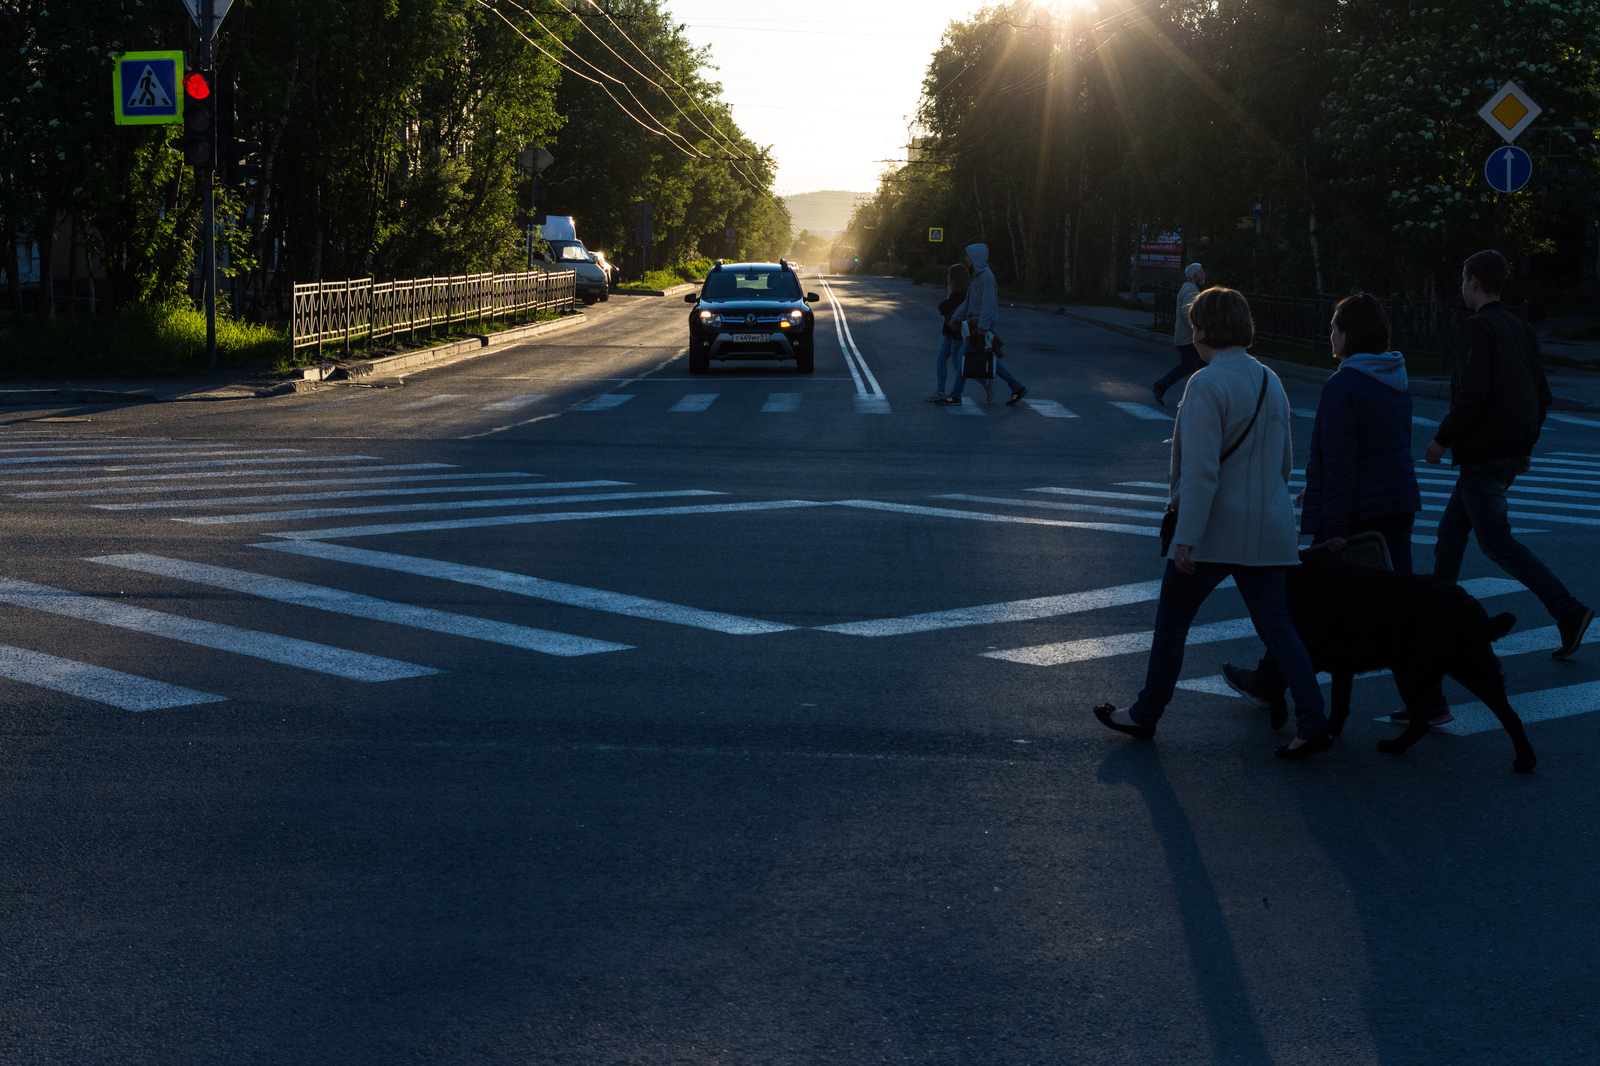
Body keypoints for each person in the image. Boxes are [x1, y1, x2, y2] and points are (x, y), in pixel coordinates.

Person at [1093, 286, 1331, 759]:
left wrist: (1187, 537)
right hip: (1268, 525)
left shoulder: (1205, 384)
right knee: (1280, 628)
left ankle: (1145, 714)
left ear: (1204, 331)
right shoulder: (1269, 380)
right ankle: (1313, 722)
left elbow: (1201, 473)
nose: (1192, 333)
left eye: (1195, 325)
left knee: (1173, 621)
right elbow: (1284, 464)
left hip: (1215, 530)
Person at [1221, 293, 1423, 707]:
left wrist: (1331, 526)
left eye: (1334, 327)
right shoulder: (1395, 378)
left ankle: (1267, 682)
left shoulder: (1344, 384)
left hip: (1355, 515)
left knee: (1301, 606)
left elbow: (1341, 460)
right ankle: (1430, 702)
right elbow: (1381, 449)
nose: (1329, 334)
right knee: (1402, 606)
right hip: (1396, 504)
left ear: (1349, 335)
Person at [1426, 249, 1592, 659]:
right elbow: (1542, 396)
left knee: (1497, 543)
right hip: (1505, 454)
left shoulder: (1476, 328)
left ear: (1475, 283)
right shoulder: (1521, 328)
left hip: (1482, 456)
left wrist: (1441, 440)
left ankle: (1567, 610)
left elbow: (1472, 396)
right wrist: (1525, 447)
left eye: (1465, 279)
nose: (1464, 286)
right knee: (1449, 536)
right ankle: (1435, 618)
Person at [936, 243, 1028, 406]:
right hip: (973, 326)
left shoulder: (986, 277)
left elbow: (988, 304)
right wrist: (956, 317)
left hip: (978, 326)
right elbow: (968, 301)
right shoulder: (977, 276)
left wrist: (983, 327)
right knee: (985, 359)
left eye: (968, 255)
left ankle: (956, 395)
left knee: (963, 358)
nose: (966, 259)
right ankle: (1017, 386)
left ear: (976, 256)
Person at [1152, 263, 1205, 405]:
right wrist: (1197, 330)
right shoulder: (1191, 290)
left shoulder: (1189, 288)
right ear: (1194, 275)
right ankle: (1160, 386)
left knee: (1202, 368)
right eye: (1201, 271)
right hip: (1188, 339)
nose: (1203, 274)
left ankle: (1198, 398)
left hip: (1186, 338)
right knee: (1190, 367)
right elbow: (1187, 313)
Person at [925, 263, 970, 403]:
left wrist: (947, 301)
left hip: (957, 333)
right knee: (941, 360)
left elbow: (943, 308)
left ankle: (985, 382)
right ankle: (940, 391)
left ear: (955, 278)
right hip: (950, 332)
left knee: (958, 365)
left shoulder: (959, 294)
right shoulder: (959, 292)